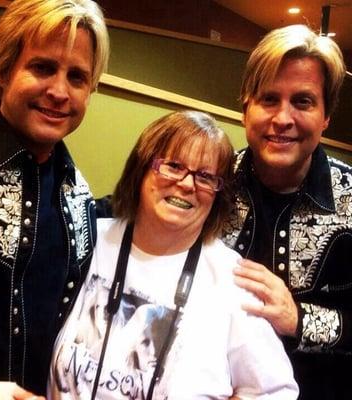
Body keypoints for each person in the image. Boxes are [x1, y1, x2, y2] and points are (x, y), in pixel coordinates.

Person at [49, 110, 298, 399]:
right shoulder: (88, 240)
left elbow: (277, 392)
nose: (187, 184)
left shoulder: (234, 283)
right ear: (141, 169)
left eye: (205, 176)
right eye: (173, 166)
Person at [0, 0, 109, 398]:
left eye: (77, 77)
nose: (59, 91)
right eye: (42, 68)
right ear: (3, 70)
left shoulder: (78, 194)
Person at [220, 24, 351, 399]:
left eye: (303, 102)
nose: (283, 118)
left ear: (326, 116)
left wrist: (299, 318)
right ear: (246, 108)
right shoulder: (211, 182)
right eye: (269, 99)